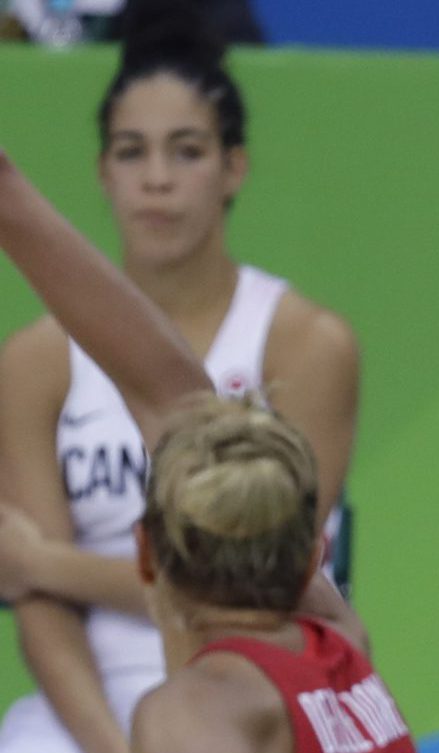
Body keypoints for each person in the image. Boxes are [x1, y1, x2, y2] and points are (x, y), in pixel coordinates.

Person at [0, 4, 359, 752]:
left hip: (254, 685)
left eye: (186, 151)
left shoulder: (305, 341)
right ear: (102, 170)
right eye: (131, 152)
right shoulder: (33, 361)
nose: (157, 180)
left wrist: (48, 562)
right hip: (82, 713)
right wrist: (117, 742)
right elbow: (33, 603)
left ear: (234, 167)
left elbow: (265, 584)